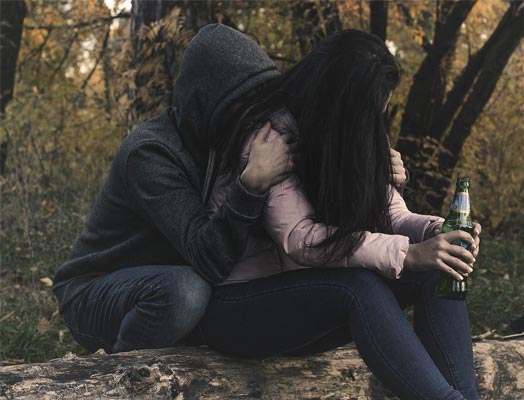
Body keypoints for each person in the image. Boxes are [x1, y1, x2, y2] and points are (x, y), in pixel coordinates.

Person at [199, 30, 482, 400]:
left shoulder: (356, 131)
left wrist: (436, 233)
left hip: (314, 300)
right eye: (371, 111)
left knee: (439, 269)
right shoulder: (271, 136)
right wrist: (408, 253)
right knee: (358, 286)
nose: (376, 122)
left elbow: (393, 215)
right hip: (240, 308)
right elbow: (300, 238)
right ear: (343, 103)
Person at [51, 24, 296, 354]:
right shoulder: (150, 153)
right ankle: (122, 375)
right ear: (207, 101)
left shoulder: (223, 144)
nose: (255, 116)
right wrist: (251, 186)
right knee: (186, 292)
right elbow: (208, 259)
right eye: (243, 102)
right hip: (95, 291)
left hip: (170, 278)